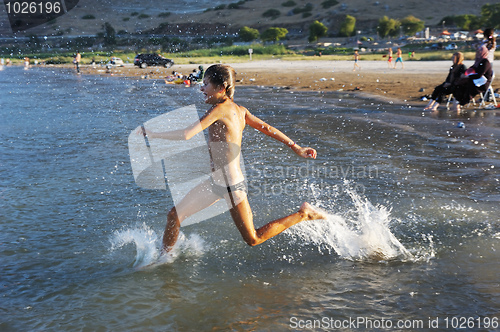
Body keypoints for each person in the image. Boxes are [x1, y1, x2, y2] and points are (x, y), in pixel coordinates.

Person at [140, 64, 326, 253]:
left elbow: (188, 134)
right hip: (216, 182)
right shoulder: (240, 110)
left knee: (253, 238)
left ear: (221, 88)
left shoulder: (219, 109)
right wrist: (295, 147)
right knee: (174, 215)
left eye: (206, 84)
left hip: (230, 185)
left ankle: (304, 214)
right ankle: (164, 258)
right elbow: (268, 129)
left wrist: (153, 134)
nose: (201, 89)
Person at [451, 45, 493, 112]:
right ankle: (457, 101)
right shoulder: (478, 61)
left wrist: (468, 76)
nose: (477, 53)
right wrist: (465, 74)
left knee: (469, 88)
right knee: (460, 85)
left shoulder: (485, 62)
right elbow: (471, 69)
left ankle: (460, 103)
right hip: (475, 80)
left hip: (482, 83)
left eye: (479, 51)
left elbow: (479, 74)